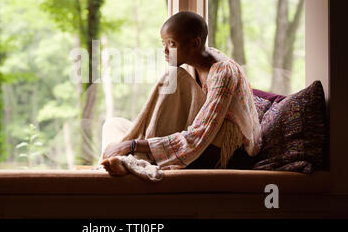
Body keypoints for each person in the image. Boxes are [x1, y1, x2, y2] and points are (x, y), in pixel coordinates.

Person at [99, 11, 262, 177]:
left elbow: (199, 136)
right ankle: (127, 160)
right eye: (163, 43)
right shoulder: (195, 61)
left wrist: (132, 145)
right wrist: (132, 142)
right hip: (201, 137)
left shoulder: (223, 72)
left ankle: (133, 162)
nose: (165, 50)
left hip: (225, 151)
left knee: (173, 77)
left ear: (194, 43)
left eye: (171, 43)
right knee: (113, 124)